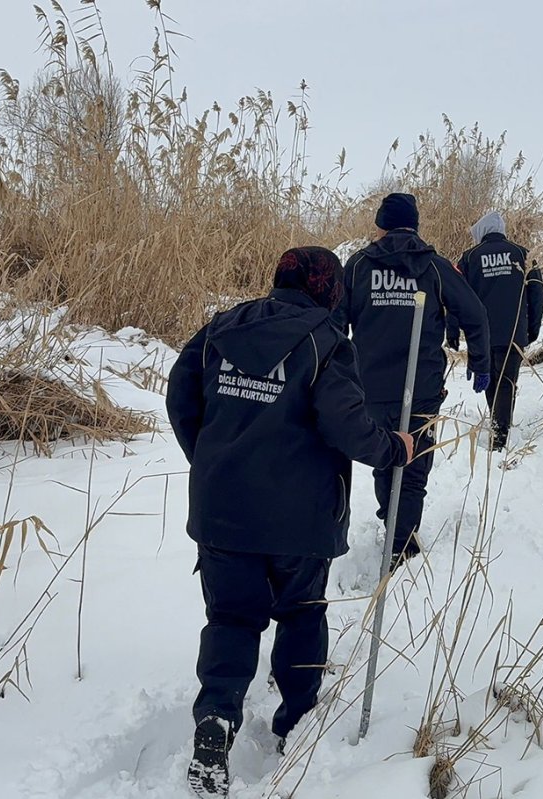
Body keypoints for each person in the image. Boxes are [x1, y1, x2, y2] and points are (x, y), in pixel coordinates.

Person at [166, 247, 415, 798]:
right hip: (299, 523)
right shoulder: (326, 344)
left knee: (230, 618)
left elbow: (181, 399)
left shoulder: (219, 329)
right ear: (329, 290)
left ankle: (216, 720)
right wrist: (393, 448)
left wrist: (213, 463)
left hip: (222, 516)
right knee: (301, 613)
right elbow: (348, 426)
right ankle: (299, 720)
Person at [335, 193, 491, 569]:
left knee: (385, 457)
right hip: (420, 389)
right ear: (415, 225)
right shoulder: (434, 267)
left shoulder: (357, 266)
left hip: (369, 388)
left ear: (380, 225)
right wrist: (481, 360)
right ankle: (401, 542)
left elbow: (336, 325)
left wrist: (334, 373)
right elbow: (476, 314)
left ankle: (393, 524)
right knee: (414, 464)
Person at [446, 210, 543, 451]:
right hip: (514, 331)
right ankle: (501, 427)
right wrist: (532, 329)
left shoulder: (469, 257)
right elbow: (538, 293)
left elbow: (456, 296)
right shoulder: (523, 255)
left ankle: (499, 425)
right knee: (507, 380)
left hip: (481, 333)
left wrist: (452, 330)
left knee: (489, 377)